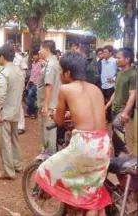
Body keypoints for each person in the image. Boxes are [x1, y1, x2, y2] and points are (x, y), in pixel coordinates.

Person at [35, 51, 112, 216]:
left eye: (62, 71)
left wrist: (54, 114)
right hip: (103, 143)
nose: (61, 75)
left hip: (84, 144)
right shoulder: (96, 89)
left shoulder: (65, 89)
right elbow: (93, 116)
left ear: (68, 73)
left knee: (45, 168)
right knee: (92, 192)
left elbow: (60, 121)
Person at [0, 44, 24, 180]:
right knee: (14, 139)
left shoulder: (4, 72)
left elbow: (1, 94)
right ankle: (17, 165)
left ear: (2, 57)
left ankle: (8, 171)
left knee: (4, 142)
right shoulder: (19, 71)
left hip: (5, 113)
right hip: (16, 110)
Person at [105, 48, 137, 157]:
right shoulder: (119, 73)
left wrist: (126, 112)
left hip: (123, 108)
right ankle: (120, 152)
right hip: (114, 107)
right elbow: (116, 91)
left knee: (117, 126)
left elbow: (133, 94)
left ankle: (124, 151)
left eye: (119, 58)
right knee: (115, 130)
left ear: (127, 59)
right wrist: (107, 105)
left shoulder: (133, 74)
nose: (116, 60)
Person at [37, 40, 61, 154]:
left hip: (49, 105)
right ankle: (47, 155)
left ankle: (49, 158)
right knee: (48, 133)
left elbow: (49, 86)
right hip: (52, 104)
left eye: (40, 49)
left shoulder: (50, 65)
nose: (39, 51)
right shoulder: (53, 62)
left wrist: (45, 106)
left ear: (47, 50)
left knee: (48, 134)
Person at [13, 42, 28, 135]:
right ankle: (13, 125)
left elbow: (24, 70)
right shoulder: (6, 58)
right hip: (9, 85)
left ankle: (21, 126)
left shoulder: (19, 58)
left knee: (18, 104)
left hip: (18, 84)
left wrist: (21, 83)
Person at [101, 45, 118, 122]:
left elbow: (121, 71)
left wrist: (114, 79)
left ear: (111, 53)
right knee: (103, 102)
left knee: (110, 102)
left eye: (105, 52)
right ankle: (105, 117)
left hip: (111, 86)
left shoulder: (115, 61)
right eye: (103, 52)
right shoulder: (102, 61)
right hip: (103, 85)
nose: (103, 54)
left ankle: (110, 119)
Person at [26, 49, 43, 119]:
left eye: (36, 55)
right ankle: (30, 112)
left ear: (39, 55)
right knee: (29, 97)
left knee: (30, 96)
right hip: (31, 82)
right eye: (34, 55)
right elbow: (32, 74)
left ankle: (32, 113)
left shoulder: (41, 63)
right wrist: (27, 83)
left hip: (37, 84)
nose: (34, 56)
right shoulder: (33, 63)